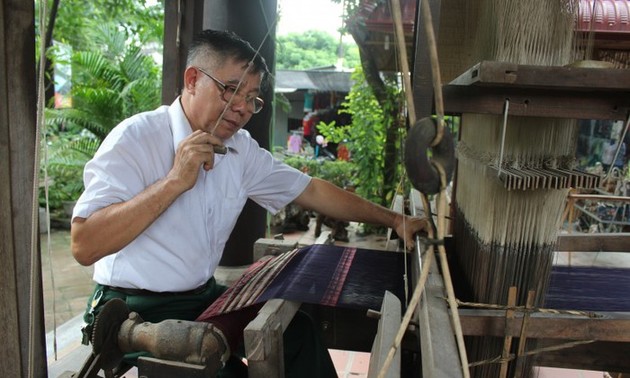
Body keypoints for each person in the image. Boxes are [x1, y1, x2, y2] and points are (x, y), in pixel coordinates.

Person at [71, 29, 428, 377]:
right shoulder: (136, 138)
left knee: (298, 334)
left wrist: (394, 220)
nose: (242, 108)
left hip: (200, 297)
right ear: (193, 79)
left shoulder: (240, 150)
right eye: (231, 89)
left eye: (252, 98)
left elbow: (312, 190)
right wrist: (174, 182)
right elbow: (85, 245)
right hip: (132, 311)